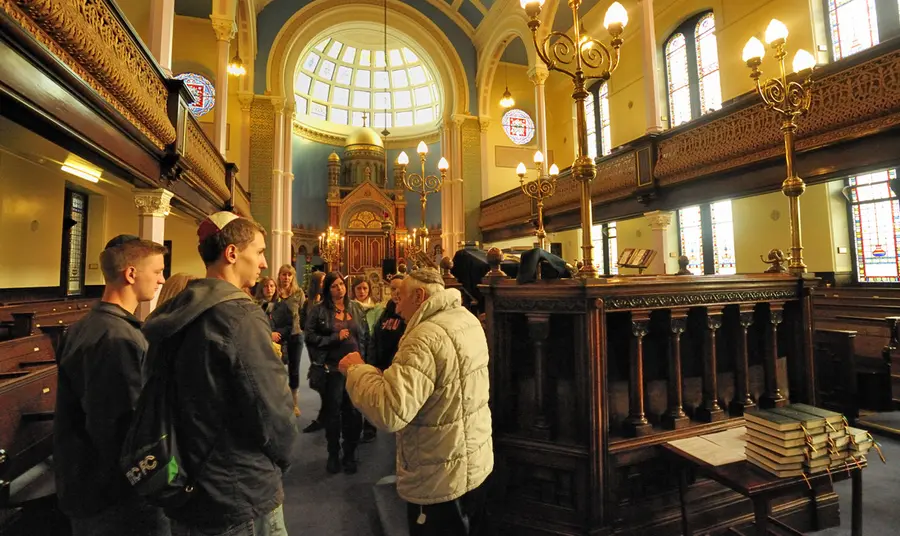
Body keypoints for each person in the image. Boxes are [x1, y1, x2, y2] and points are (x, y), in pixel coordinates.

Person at [142, 211, 298, 536]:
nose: (264, 263)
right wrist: (279, 461)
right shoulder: (240, 314)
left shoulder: (174, 308)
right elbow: (272, 409)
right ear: (232, 254)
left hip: (183, 478)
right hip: (236, 489)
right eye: (258, 251)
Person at [340, 268, 493, 536]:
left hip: (438, 473)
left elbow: (390, 411)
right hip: (472, 460)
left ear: (420, 296)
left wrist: (357, 371)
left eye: (400, 298)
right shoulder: (466, 319)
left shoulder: (423, 337)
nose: (396, 308)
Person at [53, 235, 169, 536]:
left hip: (86, 484)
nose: (161, 280)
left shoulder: (84, 327)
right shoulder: (117, 338)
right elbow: (125, 428)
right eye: (157, 271)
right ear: (131, 274)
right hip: (113, 498)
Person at [304, 271, 368, 474]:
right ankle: (333, 453)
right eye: (334, 285)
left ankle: (350, 454)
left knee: (354, 414)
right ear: (327, 289)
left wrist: (366, 361)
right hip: (332, 369)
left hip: (355, 369)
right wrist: (333, 338)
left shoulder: (356, 307)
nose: (339, 288)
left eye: (341, 284)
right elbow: (310, 336)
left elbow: (365, 336)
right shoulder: (318, 310)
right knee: (333, 414)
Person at [360, 274, 406, 442]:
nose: (396, 293)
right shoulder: (386, 311)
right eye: (392, 288)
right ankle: (369, 428)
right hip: (380, 362)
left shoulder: (408, 313)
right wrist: (372, 362)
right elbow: (375, 337)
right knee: (373, 396)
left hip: (397, 366)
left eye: (399, 289)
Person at [275, 264, 307, 417]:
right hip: (278, 337)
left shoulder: (298, 293)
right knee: (277, 368)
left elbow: (303, 313)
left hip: (295, 335)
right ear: (279, 276)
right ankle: (279, 400)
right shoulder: (274, 292)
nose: (286, 278)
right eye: (283, 274)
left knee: (294, 370)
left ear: (293, 277)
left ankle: (294, 403)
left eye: (289, 275)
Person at [301, 270, 326, 433]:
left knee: (326, 382)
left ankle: (324, 417)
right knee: (318, 381)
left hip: (325, 346)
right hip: (312, 347)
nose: (324, 284)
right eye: (322, 281)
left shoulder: (327, 302)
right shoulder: (308, 303)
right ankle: (323, 415)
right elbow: (304, 323)